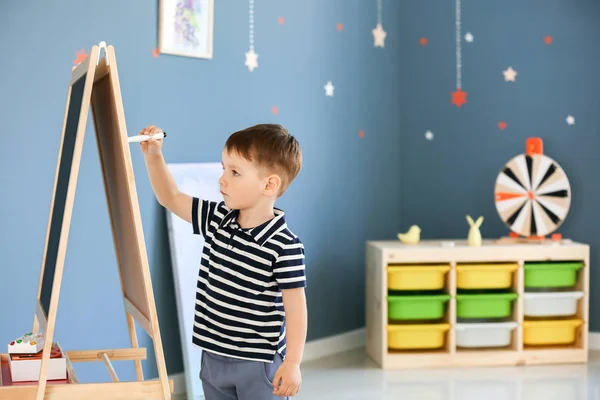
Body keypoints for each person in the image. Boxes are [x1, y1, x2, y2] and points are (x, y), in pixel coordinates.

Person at [137, 124, 308, 399]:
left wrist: (292, 363)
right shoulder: (218, 218)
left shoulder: (285, 245)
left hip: (258, 364)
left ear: (270, 184)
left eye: (234, 172)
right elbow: (171, 197)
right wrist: (153, 156)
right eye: (224, 169)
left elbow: (296, 309)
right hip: (213, 358)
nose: (222, 180)